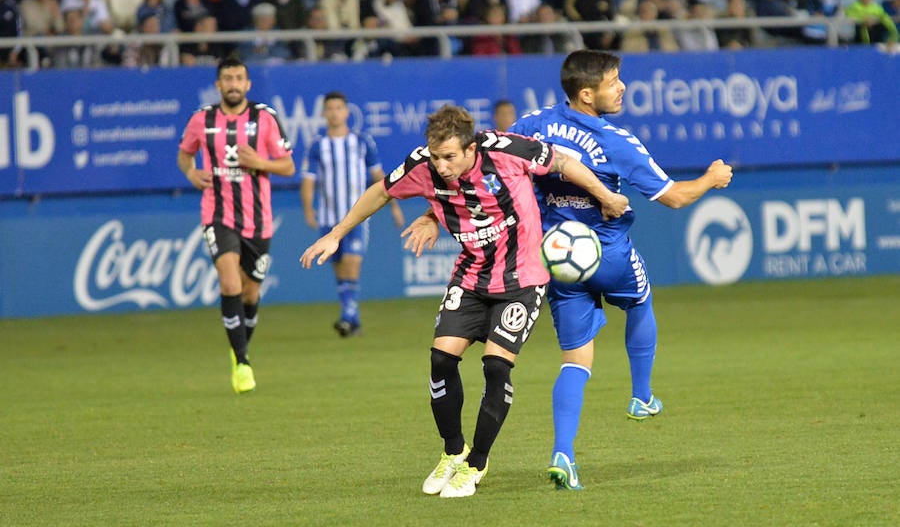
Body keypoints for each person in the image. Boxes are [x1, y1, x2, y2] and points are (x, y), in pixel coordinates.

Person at [302, 104, 629, 498]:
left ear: (471, 149)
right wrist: (337, 233)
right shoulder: (423, 164)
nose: (440, 166)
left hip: (523, 279)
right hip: (472, 276)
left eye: (449, 157)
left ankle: (476, 464)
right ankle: (453, 452)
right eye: (436, 156)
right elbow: (381, 192)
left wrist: (606, 196)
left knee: (495, 365)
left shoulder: (507, 150)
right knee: (441, 360)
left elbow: (562, 162)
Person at [501, 49, 733, 490]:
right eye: (613, 81)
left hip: (558, 260)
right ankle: (641, 397)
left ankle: (563, 454)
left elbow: (496, 163)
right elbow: (675, 198)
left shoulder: (532, 123)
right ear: (587, 94)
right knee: (641, 301)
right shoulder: (614, 141)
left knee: (575, 361)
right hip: (607, 253)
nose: (622, 87)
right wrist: (710, 179)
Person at [177, 55, 296, 394]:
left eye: (238, 78)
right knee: (229, 283)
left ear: (248, 84)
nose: (233, 84)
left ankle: (238, 347)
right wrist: (189, 172)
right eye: (227, 78)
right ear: (218, 84)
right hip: (218, 214)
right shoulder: (202, 119)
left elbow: (288, 166)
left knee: (250, 292)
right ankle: (242, 361)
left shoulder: (265, 118)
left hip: (258, 219)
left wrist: (260, 162)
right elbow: (184, 153)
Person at [301, 91, 405, 337]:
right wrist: (308, 208)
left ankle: (347, 317)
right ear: (324, 113)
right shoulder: (318, 144)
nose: (335, 112)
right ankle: (353, 320)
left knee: (351, 264)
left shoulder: (362, 141)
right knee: (339, 269)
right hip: (328, 217)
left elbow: (379, 176)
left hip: (357, 218)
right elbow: (308, 179)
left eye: (339, 107)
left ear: (347, 112)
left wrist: (394, 205)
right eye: (330, 108)